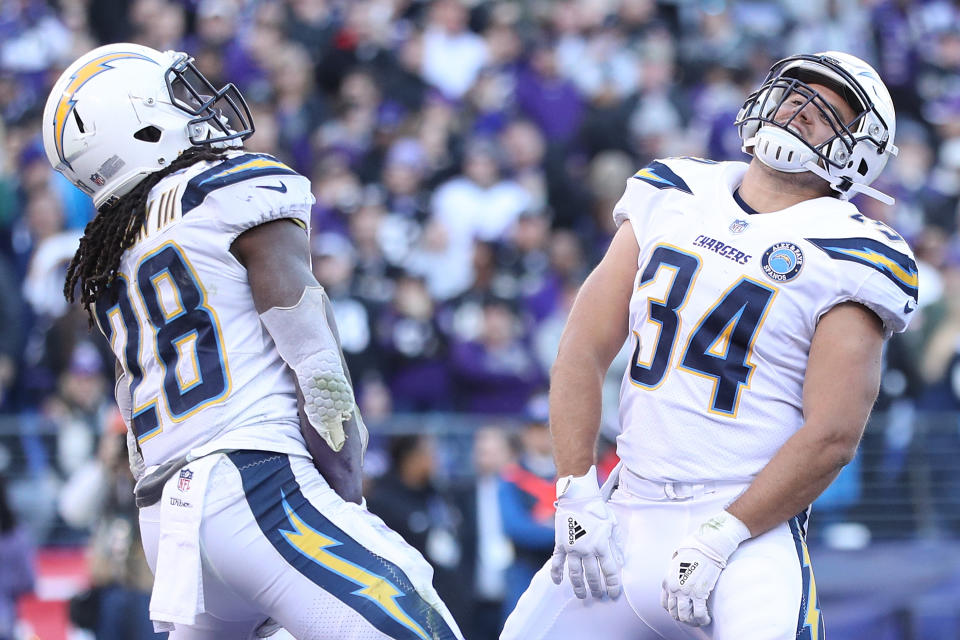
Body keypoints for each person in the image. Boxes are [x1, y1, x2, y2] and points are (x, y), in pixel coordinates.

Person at [42, 43, 463, 640]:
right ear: (136, 124)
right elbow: (313, 357)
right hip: (255, 481)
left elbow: (131, 419)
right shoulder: (226, 188)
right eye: (173, 94)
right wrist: (345, 488)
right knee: (416, 617)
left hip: (167, 516)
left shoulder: (108, 253)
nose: (197, 102)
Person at [501, 51, 917, 639]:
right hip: (623, 513)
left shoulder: (854, 252)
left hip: (747, 534)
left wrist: (726, 534)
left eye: (831, 108)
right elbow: (582, 347)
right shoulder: (674, 188)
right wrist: (573, 490)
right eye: (795, 91)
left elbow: (832, 436)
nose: (802, 107)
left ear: (862, 150)